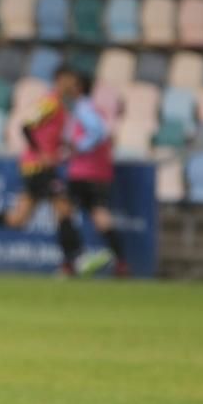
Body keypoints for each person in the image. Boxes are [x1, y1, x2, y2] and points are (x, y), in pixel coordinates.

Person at [0, 67, 86, 276]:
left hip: (38, 168)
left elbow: (45, 133)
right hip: (39, 168)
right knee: (64, 208)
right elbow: (26, 126)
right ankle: (76, 261)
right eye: (72, 80)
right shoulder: (50, 102)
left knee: (17, 220)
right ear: (61, 79)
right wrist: (41, 153)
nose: (75, 85)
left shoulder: (59, 105)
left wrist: (64, 146)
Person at [63, 89, 130, 277]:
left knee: (64, 211)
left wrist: (79, 147)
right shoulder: (100, 112)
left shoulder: (84, 109)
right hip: (100, 172)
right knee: (100, 215)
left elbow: (98, 132)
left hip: (83, 172)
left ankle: (71, 261)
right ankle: (121, 262)